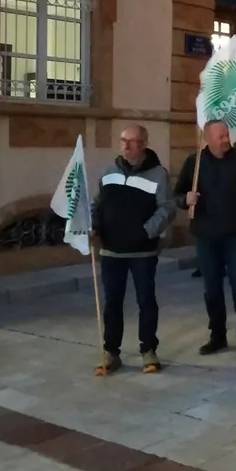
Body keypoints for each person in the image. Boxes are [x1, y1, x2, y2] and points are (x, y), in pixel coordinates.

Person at [89, 125, 176, 375]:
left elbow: (167, 208)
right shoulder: (108, 172)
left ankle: (149, 350)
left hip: (142, 253)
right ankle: (111, 352)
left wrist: (146, 231)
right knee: (112, 303)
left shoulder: (158, 174)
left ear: (144, 144)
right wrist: (94, 226)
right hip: (111, 251)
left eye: (132, 141)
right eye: (123, 140)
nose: (126, 145)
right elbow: (96, 204)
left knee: (146, 301)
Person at [174, 121, 236, 359]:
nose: (226, 140)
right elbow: (178, 193)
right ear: (208, 139)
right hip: (206, 235)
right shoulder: (195, 162)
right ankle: (217, 335)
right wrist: (186, 199)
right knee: (211, 288)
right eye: (220, 136)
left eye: (227, 135)